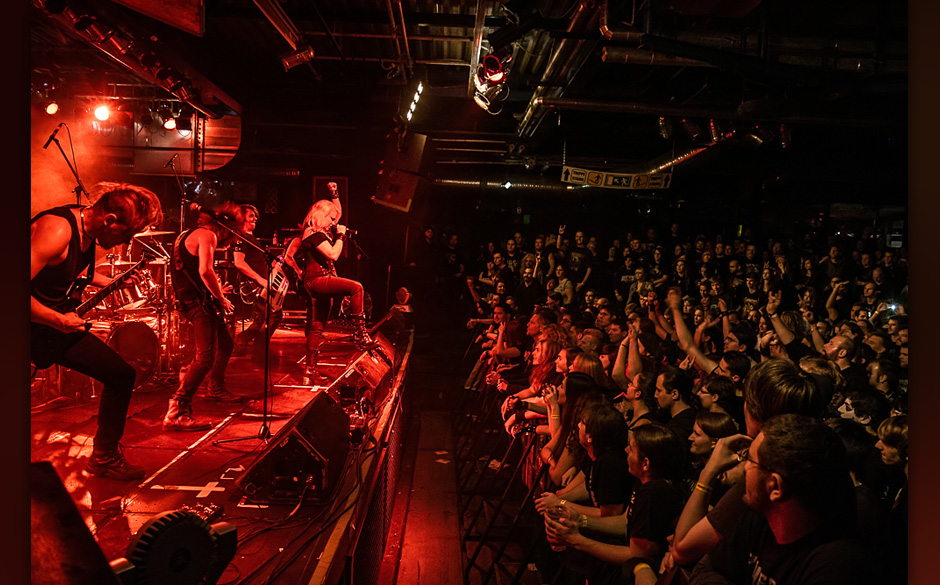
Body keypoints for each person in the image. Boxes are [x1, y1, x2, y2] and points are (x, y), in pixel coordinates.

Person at [31, 182, 163, 479]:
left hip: (51, 326)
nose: (122, 244)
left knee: (121, 374)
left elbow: (63, 274)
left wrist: (106, 281)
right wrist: (58, 320)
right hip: (36, 325)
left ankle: (104, 456)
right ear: (110, 221)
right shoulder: (57, 230)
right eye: (125, 235)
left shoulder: (87, 233)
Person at [689, 414, 872, 585]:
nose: (745, 468)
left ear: (775, 486)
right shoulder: (761, 517)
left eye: (750, 460)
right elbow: (707, 568)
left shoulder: (835, 566)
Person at [165, 201, 244, 432]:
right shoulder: (208, 235)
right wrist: (220, 297)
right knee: (205, 357)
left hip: (192, 298)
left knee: (226, 344)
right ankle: (177, 411)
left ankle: (216, 389)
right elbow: (205, 271)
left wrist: (216, 291)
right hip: (198, 302)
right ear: (224, 227)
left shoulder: (185, 235)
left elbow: (192, 270)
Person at [296, 194, 378, 384]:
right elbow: (333, 255)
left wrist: (335, 195)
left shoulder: (319, 231)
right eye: (331, 219)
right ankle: (361, 334)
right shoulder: (313, 234)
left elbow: (338, 212)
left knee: (317, 326)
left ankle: (310, 370)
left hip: (319, 280)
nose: (334, 222)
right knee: (357, 287)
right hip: (317, 280)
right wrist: (341, 235)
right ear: (321, 215)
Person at [232, 204, 284, 360]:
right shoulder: (240, 238)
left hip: (262, 283)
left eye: (255, 216)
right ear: (241, 218)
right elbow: (239, 263)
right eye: (250, 216)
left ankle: (245, 342)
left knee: (266, 316)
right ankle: (256, 346)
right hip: (254, 285)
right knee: (274, 315)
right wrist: (261, 280)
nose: (255, 218)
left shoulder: (250, 236)